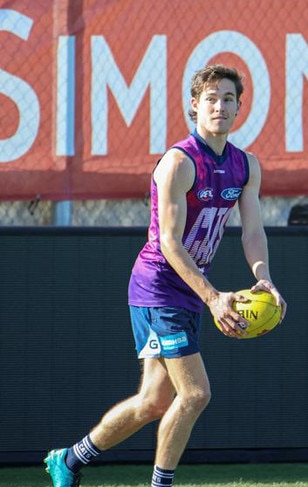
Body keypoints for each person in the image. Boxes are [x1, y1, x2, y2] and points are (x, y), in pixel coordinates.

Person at [44, 64, 287, 487]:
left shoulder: (246, 166)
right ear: (195, 106)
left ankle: (69, 459)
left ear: (238, 108)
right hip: (157, 287)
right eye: (211, 99)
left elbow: (252, 231)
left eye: (228, 99)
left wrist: (264, 278)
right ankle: (161, 484)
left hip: (188, 292)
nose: (220, 106)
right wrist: (213, 297)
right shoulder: (179, 163)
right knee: (195, 394)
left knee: (153, 401)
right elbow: (170, 244)